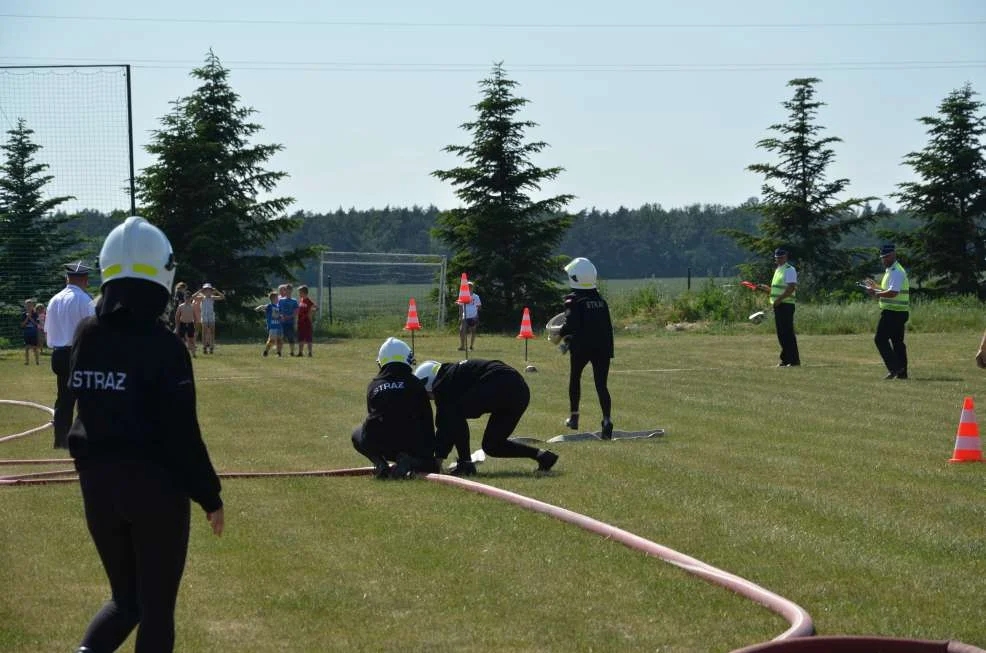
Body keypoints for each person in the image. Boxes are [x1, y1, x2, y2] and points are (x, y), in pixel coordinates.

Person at [69, 216, 224, 653]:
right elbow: (181, 435)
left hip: (98, 487)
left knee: (125, 600)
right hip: (154, 489)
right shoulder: (165, 348)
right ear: (163, 274)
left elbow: (80, 396)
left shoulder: (87, 334)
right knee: (155, 609)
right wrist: (210, 495)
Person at [414, 358, 558, 476]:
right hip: (520, 390)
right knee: (492, 445)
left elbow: (445, 424)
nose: (430, 399)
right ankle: (542, 456)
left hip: (500, 383)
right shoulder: (452, 375)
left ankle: (466, 464)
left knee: (454, 414)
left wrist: (436, 462)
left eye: (427, 395)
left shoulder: (442, 384)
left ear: (429, 383)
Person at [352, 337, 439, 479]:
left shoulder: (373, 386)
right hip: (413, 445)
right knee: (429, 464)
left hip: (383, 444)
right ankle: (411, 462)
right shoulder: (416, 384)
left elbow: (371, 422)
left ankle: (380, 463)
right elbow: (427, 421)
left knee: (357, 433)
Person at [558, 257, 616, 439]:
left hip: (582, 347)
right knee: (601, 385)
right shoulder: (600, 300)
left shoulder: (573, 300)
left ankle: (574, 417)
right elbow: (607, 326)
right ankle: (607, 420)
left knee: (575, 378)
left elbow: (571, 325)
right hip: (603, 347)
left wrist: (560, 334)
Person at [45, 260, 95, 449]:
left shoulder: (54, 300)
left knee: (63, 399)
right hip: (79, 352)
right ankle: (85, 439)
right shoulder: (85, 300)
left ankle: (61, 441)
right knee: (87, 398)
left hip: (58, 354)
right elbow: (92, 329)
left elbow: (48, 330)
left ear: (68, 278)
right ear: (85, 279)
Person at [865, 243, 909, 379]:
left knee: (880, 339)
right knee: (897, 342)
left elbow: (893, 293)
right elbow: (888, 290)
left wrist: (876, 293)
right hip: (898, 311)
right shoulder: (891, 271)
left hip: (893, 312)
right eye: (883, 257)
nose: (884, 260)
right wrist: (876, 287)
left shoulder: (896, 271)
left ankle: (895, 368)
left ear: (894, 255)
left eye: (887, 257)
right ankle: (902, 372)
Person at [756, 248, 800, 367]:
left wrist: (779, 300)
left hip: (786, 304)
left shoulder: (789, 269)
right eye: (777, 258)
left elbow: (791, 288)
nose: (779, 259)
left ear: (786, 257)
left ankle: (794, 360)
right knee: (781, 334)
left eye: (781, 257)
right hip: (778, 304)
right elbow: (776, 290)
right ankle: (786, 359)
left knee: (787, 333)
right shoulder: (777, 270)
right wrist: (766, 289)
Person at [191, 283, 224, 354]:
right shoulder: (201, 297)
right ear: (204, 291)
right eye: (206, 290)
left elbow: (222, 297)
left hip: (211, 316)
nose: (207, 291)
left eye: (209, 290)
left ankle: (211, 347)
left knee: (212, 332)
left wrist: (217, 291)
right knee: (204, 332)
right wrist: (199, 291)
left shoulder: (212, 297)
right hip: (204, 316)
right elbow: (192, 297)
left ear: (211, 291)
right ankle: (204, 347)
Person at [256, 291, 282, 357]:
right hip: (272, 326)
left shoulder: (278, 306)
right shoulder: (270, 306)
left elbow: (278, 315)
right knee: (271, 340)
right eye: (277, 298)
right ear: (273, 299)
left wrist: (280, 317)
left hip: (278, 326)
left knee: (279, 340)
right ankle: (266, 352)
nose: (278, 299)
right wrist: (259, 307)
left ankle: (279, 353)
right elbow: (263, 306)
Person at [458, 281, 481, 351]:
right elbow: (460, 306)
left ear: (472, 288)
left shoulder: (476, 297)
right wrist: (460, 315)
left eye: (471, 286)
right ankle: (462, 346)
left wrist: (476, 314)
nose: (469, 287)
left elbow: (479, 306)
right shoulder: (462, 296)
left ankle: (471, 346)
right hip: (465, 316)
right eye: (468, 286)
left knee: (473, 331)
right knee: (462, 330)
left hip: (473, 316)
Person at [277, 284, 299, 357]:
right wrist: (281, 316)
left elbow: (296, 312)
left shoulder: (294, 301)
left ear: (291, 291)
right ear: (285, 291)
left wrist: (290, 317)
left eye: (290, 290)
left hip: (290, 322)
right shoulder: (280, 301)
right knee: (280, 338)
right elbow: (278, 310)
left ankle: (292, 352)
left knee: (291, 338)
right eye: (287, 290)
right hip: (282, 322)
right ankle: (279, 353)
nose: (288, 291)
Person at [175, 292, 199, 358]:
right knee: (181, 340)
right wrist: (177, 326)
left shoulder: (192, 306)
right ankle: (181, 353)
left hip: (190, 324)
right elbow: (177, 316)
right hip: (182, 323)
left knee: (191, 339)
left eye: (188, 298)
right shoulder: (180, 306)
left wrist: (196, 327)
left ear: (190, 298)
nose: (187, 299)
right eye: (186, 297)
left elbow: (195, 317)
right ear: (184, 298)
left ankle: (193, 354)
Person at [296, 285, 317, 357]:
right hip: (300, 322)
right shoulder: (301, 300)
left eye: (300, 292)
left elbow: (316, 307)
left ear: (304, 292)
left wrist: (311, 312)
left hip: (307, 322)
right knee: (301, 337)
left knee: (308, 338)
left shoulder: (308, 301)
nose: (299, 294)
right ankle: (300, 352)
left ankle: (310, 353)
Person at [20, 299, 40, 365]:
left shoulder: (35, 314)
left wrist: (30, 317)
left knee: (35, 348)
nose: (28, 307)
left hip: (34, 333)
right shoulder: (23, 314)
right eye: (27, 305)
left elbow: (36, 324)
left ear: (32, 306)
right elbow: (22, 325)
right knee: (26, 347)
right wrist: (27, 318)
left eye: (30, 305)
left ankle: (37, 361)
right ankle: (27, 361)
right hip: (27, 333)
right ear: (25, 306)